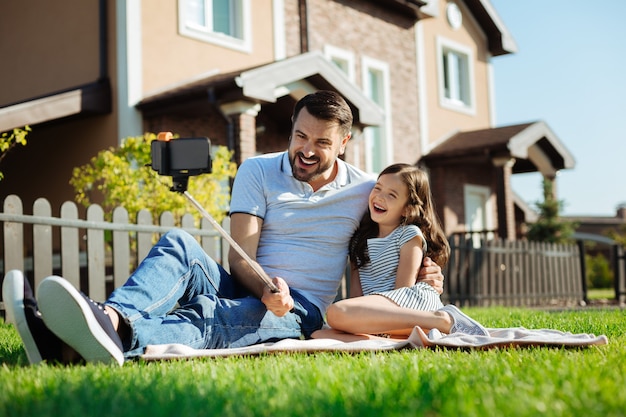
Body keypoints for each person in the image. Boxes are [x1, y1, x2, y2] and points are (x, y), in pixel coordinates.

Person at [3, 90, 444, 365]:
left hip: (303, 309)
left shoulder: (367, 189)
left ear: (344, 143)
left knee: (216, 316)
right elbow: (240, 255)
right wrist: (267, 288)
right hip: (252, 282)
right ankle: (111, 318)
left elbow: (410, 220)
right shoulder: (256, 170)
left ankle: (102, 337)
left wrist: (428, 271)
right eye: (300, 137)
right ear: (291, 129)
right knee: (178, 242)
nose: (306, 151)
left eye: (322, 143)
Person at [314, 163, 488, 342]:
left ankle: (443, 320)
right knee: (319, 334)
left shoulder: (409, 235)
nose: (379, 197)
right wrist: (359, 322)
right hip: (383, 313)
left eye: (391, 195)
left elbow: (403, 292)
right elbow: (357, 298)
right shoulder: (358, 242)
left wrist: (362, 317)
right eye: (378, 188)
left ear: (407, 208)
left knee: (336, 313)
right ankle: (402, 335)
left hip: (411, 304)